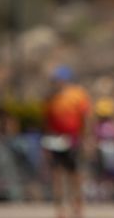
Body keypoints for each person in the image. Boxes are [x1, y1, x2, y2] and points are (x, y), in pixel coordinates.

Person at [41, 66, 91, 218]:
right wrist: (46, 143)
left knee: (75, 175)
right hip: (55, 140)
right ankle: (60, 209)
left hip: (73, 139)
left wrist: (85, 138)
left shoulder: (78, 95)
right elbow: (47, 122)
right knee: (57, 176)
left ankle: (77, 207)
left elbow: (85, 118)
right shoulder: (50, 99)